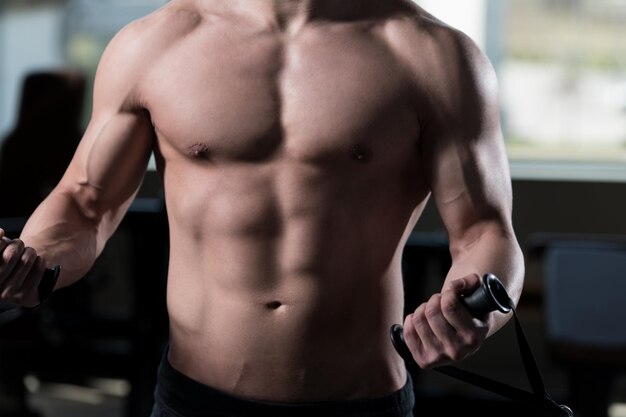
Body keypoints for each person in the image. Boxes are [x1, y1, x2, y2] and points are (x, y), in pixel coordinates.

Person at [0, 1, 525, 416]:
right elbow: (85, 203)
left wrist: (476, 309)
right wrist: (35, 261)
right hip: (194, 401)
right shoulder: (153, 45)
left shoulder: (432, 54)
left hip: (362, 403)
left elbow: (486, 231)